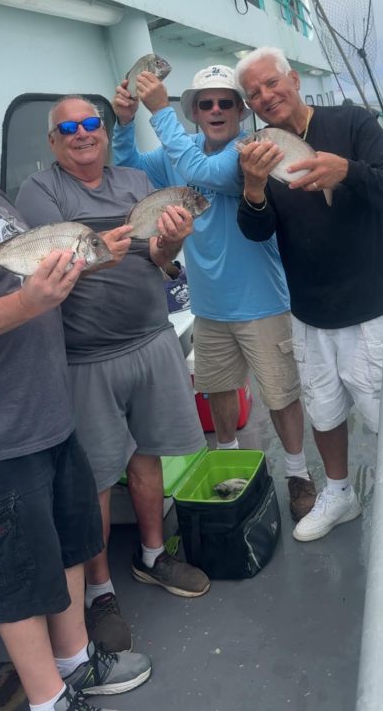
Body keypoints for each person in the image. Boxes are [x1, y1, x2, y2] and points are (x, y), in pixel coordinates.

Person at [0, 85, 151, 711]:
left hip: (46, 415)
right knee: (17, 576)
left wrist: (92, 261)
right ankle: (48, 699)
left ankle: (75, 662)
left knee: (69, 548)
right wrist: (28, 303)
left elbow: (34, 270)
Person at [16, 94, 209, 658]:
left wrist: (170, 243)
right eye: (68, 127)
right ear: (53, 141)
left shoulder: (133, 182)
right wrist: (100, 251)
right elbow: (42, 260)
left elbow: (160, 257)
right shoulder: (42, 191)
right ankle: (99, 592)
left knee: (147, 455)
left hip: (150, 338)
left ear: (104, 129)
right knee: (96, 479)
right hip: (85, 356)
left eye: (91, 123)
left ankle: (153, 555)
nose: (83, 133)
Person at [112, 64, 316, 521]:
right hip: (207, 303)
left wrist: (160, 112)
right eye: (207, 103)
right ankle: (229, 457)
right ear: (196, 112)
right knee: (219, 390)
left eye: (227, 102)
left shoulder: (250, 148)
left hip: (263, 300)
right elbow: (128, 168)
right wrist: (124, 123)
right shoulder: (176, 154)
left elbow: (205, 171)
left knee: (281, 394)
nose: (217, 109)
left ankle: (299, 474)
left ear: (241, 111)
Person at [234, 48, 383, 542]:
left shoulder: (352, 123)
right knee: (324, 409)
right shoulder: (260, 151)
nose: (266, 96)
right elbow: (257, 231)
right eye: (254, 93)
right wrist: (252, 187)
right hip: (310, 309)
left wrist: (348, 173)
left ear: (293, 78)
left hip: (369, 306)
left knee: (382, 414)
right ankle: (340, 493)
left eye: (272, 83)